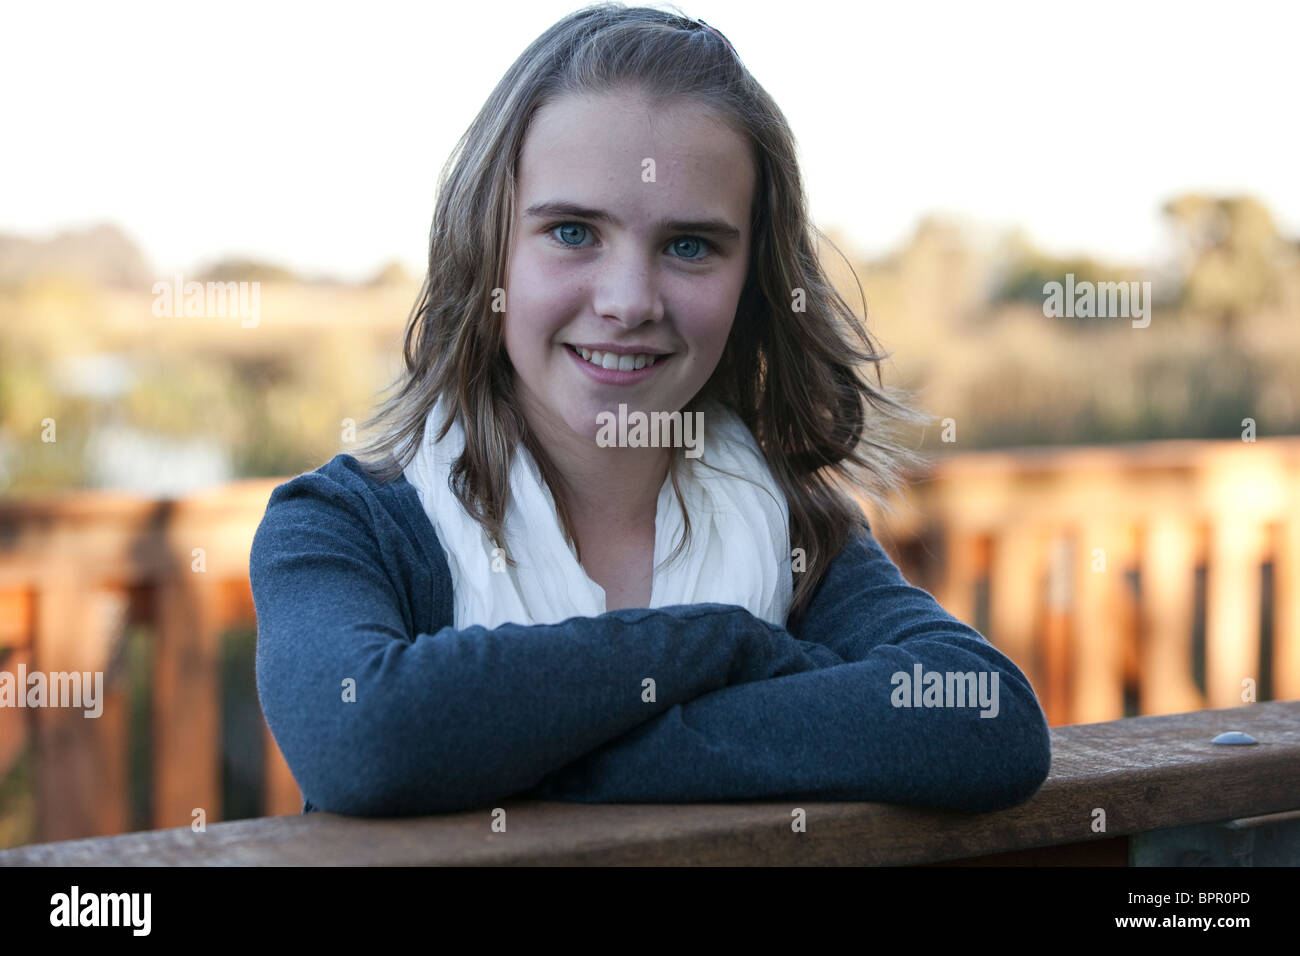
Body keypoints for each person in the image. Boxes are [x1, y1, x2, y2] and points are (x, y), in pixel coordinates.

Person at [250, 3, 1052, 817]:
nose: (629, 301)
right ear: (487, 245)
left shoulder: (799, 530)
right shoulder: (344, 527)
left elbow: (985, 716)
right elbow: (364, 737)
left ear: (754, 281)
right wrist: (728, 642)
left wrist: (515, 758)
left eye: (689, 246)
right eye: (571, 232)